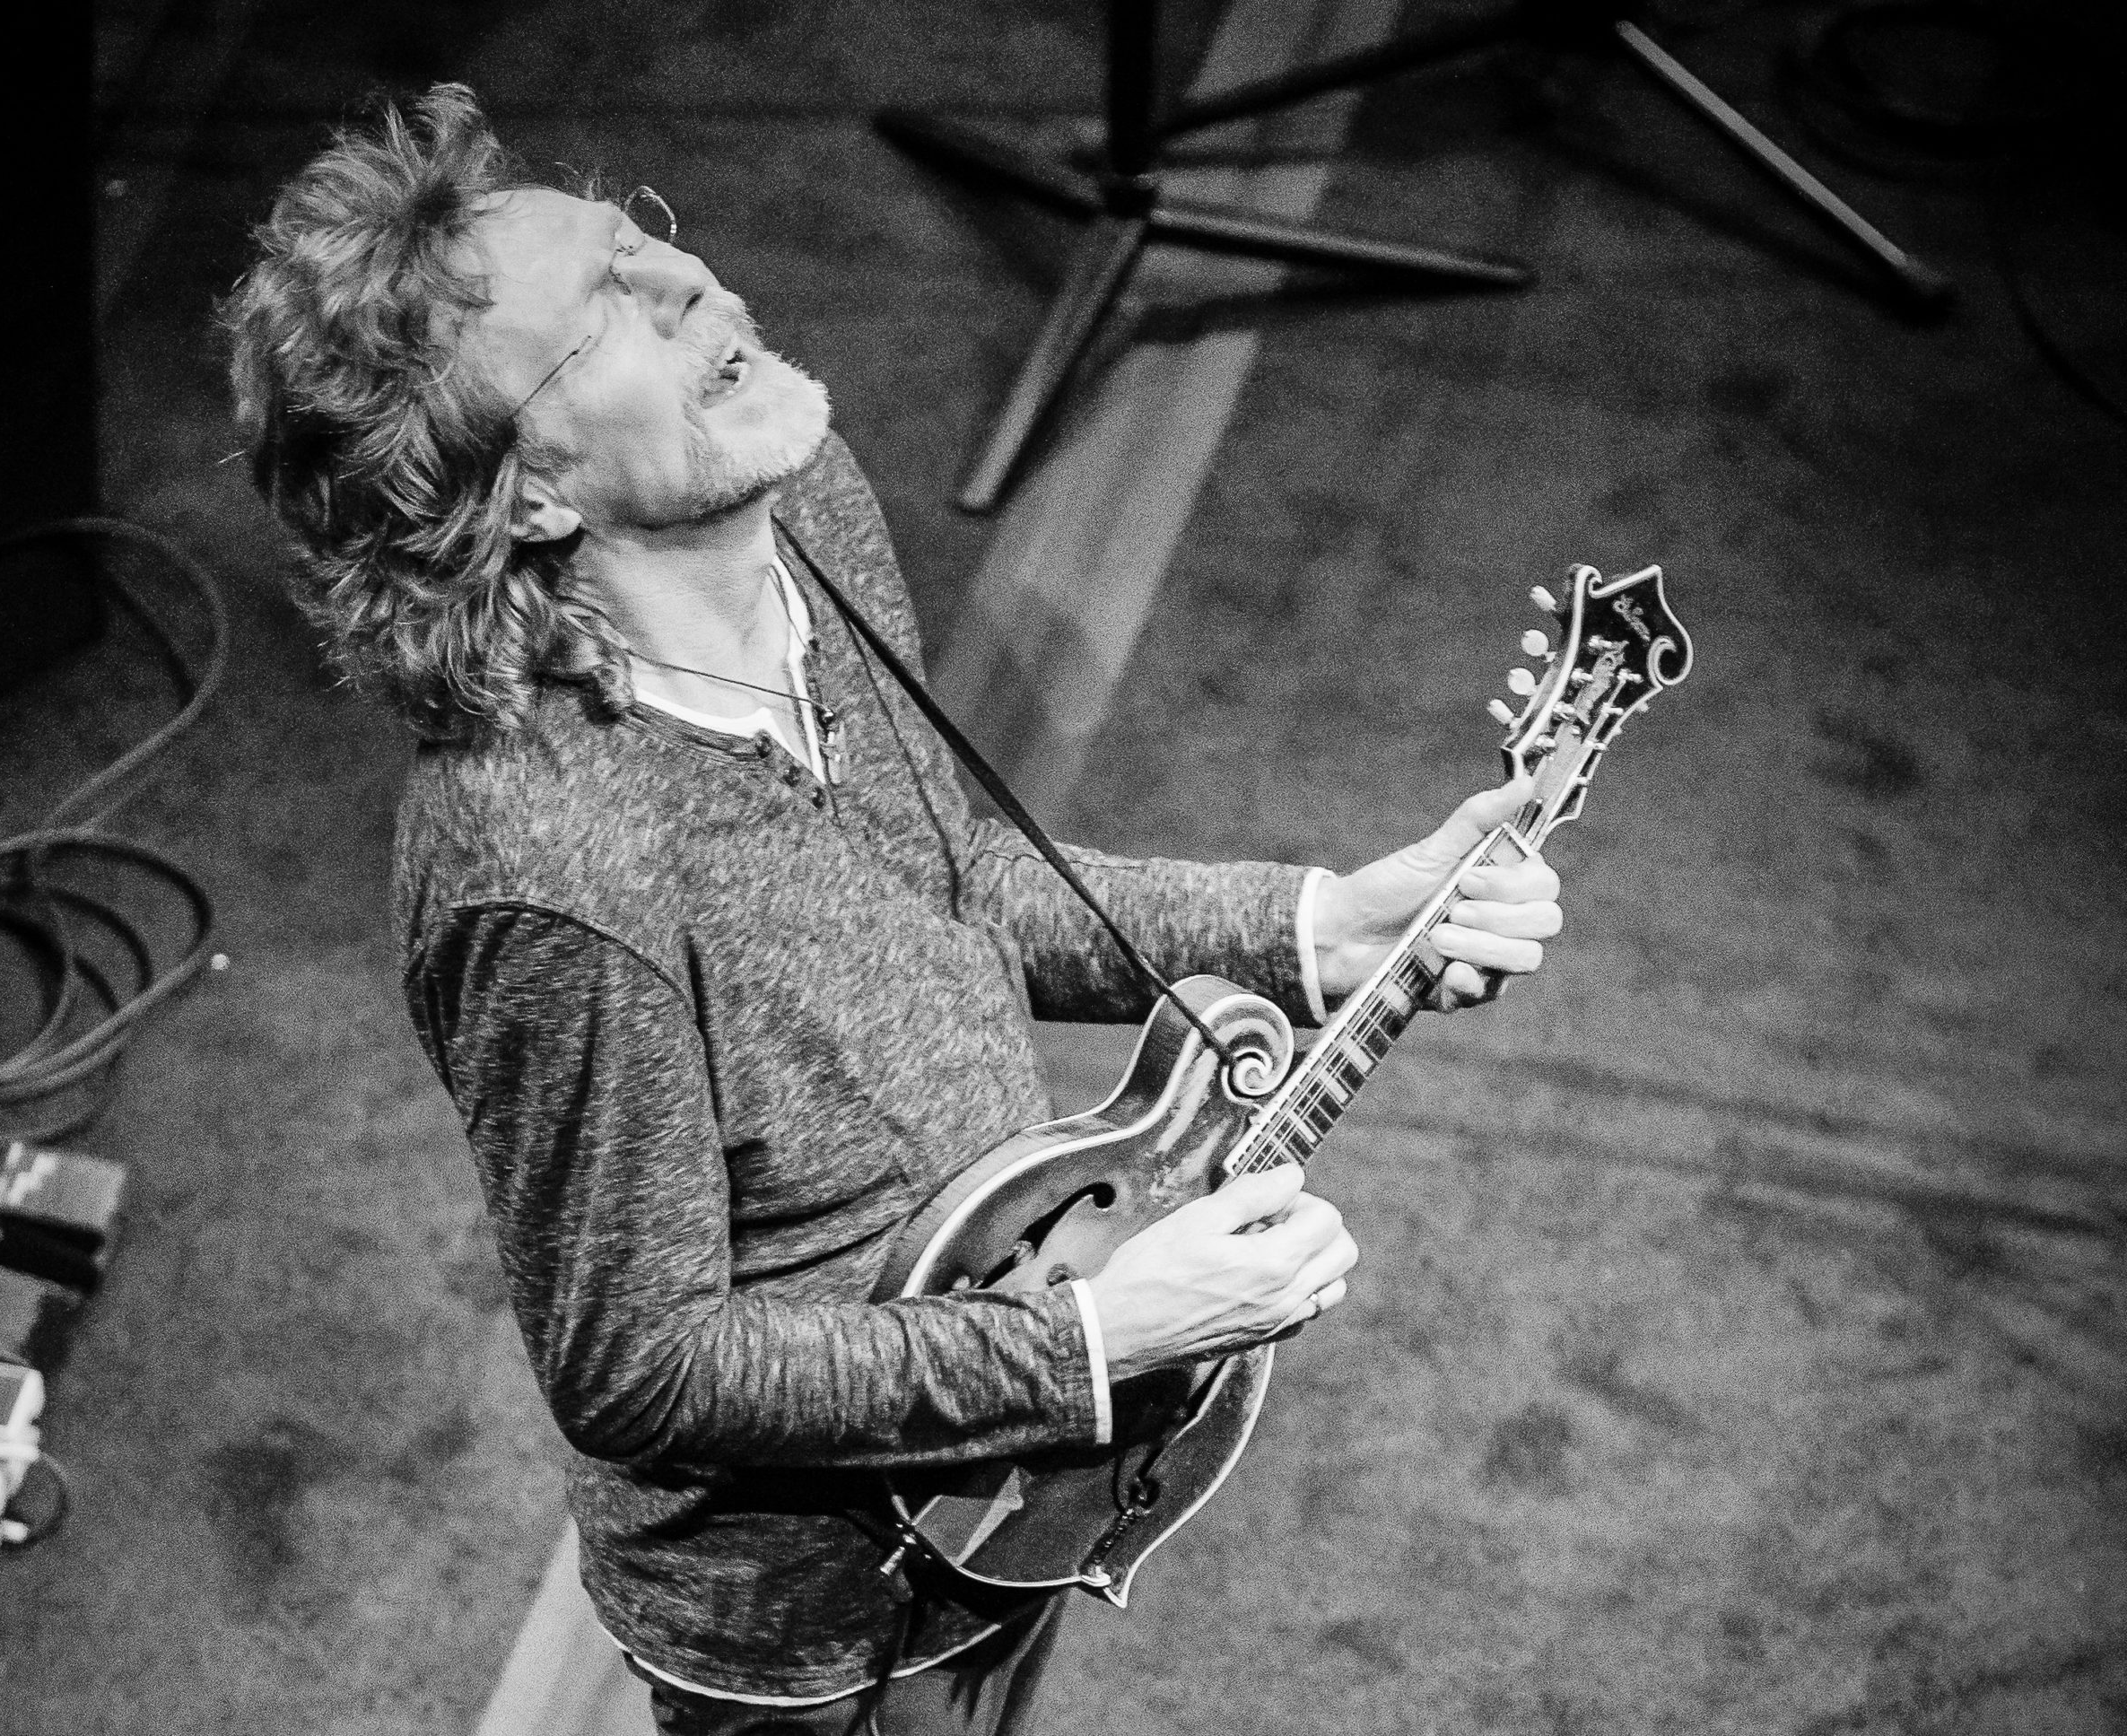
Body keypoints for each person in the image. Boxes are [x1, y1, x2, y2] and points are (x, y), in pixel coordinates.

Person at [222, 84, 1563, 1736]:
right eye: (607, 321)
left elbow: (954, 882)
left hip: (1015, 1425)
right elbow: (640, 1365)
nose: (696, 282)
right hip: (823, 1617)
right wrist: (1085, 1342)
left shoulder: (803, 511)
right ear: (533, 496)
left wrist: (1325, 929)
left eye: (644, 239)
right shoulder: (547, 867)